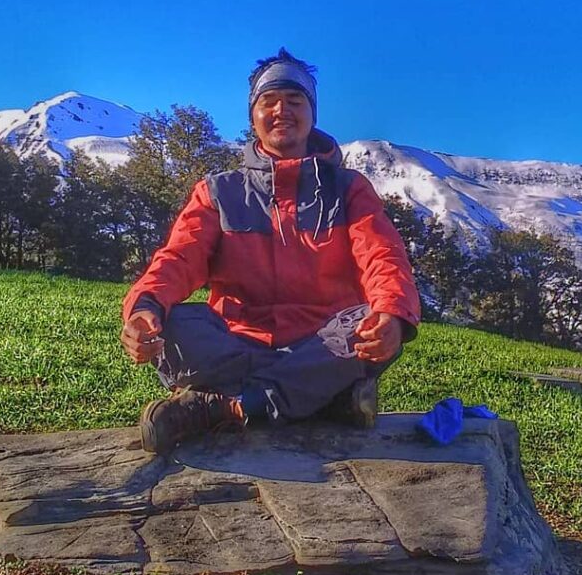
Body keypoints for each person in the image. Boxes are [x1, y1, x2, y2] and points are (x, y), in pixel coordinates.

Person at [121, 48, 421, 455]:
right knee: (172, 322)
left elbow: (382, 256)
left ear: (312, 113)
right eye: (269, 102)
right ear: (253, 117)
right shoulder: (218, 192)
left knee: (370, 325)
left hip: (322, 340)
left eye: (295, 101)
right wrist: (145, 310)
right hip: (239, 341)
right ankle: (321, 396)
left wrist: (390, 314)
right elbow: (178, 258)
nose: (282, 110)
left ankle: (223, 406)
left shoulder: (349, 189)